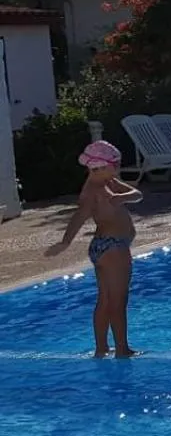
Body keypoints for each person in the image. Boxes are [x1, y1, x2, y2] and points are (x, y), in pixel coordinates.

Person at [44, 141, 142, 358]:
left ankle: (101, 348)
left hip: (104, 246)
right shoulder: (93, 191)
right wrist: (65, 242)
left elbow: (138, 194)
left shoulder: (109, 182)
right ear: (100, 166)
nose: (118, 168)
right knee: (118, 300)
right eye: (115, 165)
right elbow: (79, 216)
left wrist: (122, 197)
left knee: (105, 299)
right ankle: (122, 349)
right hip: (113, 247)